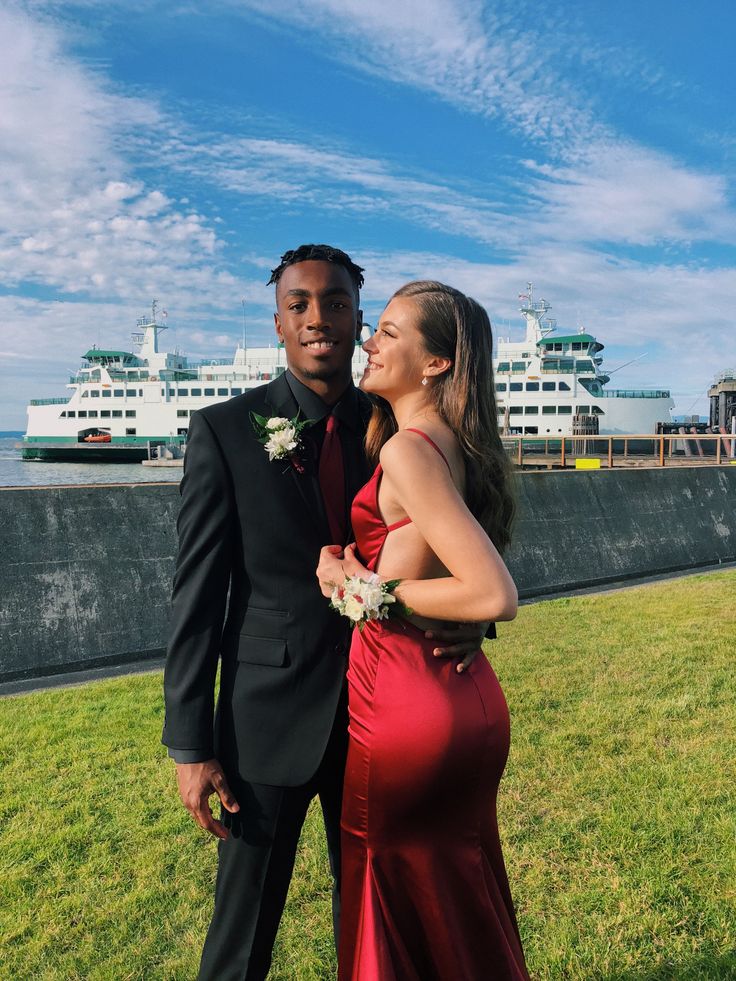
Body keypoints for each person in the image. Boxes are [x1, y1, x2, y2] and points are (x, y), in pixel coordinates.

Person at [162, 246, 488, 981]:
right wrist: (189, 742)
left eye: (336, 303)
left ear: (358, 318)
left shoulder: (399, 425)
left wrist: (471, 619)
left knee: (378, 917)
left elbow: (454, 544)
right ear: (278, 322)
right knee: (240, 937)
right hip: (265, 725)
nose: (319, 318)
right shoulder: (224, 430)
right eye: (300, 304)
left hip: (386, 718)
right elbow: (197, 594)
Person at [317, 280, 529, 980]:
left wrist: (355, 585)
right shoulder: (453, 445)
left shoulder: (408, 451)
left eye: (386, 331)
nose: (367, 343)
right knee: (455, 892)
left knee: (389, 888)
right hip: (460, 692)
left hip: (403, 704)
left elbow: (492, 591)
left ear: (435, 363)